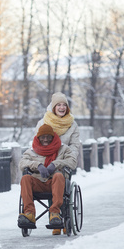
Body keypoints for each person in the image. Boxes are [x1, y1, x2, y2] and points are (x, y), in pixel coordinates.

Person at [35, 92, 80, 234]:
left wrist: (66, 159)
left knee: (62, 186)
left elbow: (74, 145)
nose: (61, 108)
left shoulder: (72, 124)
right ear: (53, 107)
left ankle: (65, 218)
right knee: (48, 185)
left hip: (64, 161)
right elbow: (36, 143)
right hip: (46, 160)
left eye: (64, 105)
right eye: (59, 105)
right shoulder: (43, 122)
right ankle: (54, 220)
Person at [17, 124, 77, 231]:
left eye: (48, 137)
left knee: (58, 175)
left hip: (56, 184)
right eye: (43, 137)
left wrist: (55, 164)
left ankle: (55, 213)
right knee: (25, 178)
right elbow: (22, 163)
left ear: (53, 137)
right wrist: (38, 165)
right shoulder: (32, 151)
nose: (45, 139)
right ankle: (29, 213)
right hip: (38, 183)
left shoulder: (63, 149)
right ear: (38, 137)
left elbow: (72, 162)